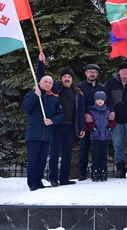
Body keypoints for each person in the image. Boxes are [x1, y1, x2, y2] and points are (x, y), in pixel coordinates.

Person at [37, 53, 85, 187]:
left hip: (71, 127)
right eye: (65, 76)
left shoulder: (78, 94)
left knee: (67, 153)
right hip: (57, 125)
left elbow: (81, 112)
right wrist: (41, 63)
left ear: (72, 79)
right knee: (55, 152)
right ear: (62, 79)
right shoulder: (56, 88)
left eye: (69, 77)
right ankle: (53, 178)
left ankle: (64, 178)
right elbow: (41, 78)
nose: (67, 78)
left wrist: (81, 128)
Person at [22, 76, 63, 191]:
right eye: (45, 81)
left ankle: (39, 181)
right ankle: (32, 183)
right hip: (34, 133)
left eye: (50, 82)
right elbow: (25, 107)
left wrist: (52, 120)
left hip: (47, 134)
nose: (48, 84)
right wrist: (36, 95)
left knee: (42, 160)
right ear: (40, 83)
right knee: (33, 159)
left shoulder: (54, 99)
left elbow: (60, 115)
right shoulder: (32, 94)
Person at [77, 64, 114, 181]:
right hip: (86, 122)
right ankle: (82, 172)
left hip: (100, 124)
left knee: (99, 149)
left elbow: (108, 102)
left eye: (95, 72)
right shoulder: (80, 87)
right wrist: (84, 114)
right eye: (90, 71)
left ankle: (98, 170)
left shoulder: (102, 88)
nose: (92, 74)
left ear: (97, 74)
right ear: (86, 73)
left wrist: (112, 111)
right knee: (84, 147)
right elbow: (76, 104)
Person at [105, 61, 127, 178]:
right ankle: (120, 169)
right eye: (122, 69)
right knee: (117, 145)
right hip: (116, 120)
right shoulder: (110, 83)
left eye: (126, 70)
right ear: (118, 72)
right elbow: (106, 100)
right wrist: (111, 111)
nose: (124, 72)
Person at [85, 91, 116, 182]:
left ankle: (103, 171)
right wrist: (93, 128)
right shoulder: (91, 111)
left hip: (105, 136)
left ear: (105, 101)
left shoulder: (108, 111)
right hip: (95, 137)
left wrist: (110, 128)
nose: (100, 101)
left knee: (103, 155)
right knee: (96, 155)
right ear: (95, 101)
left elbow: (113, 121)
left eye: (102, 100)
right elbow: (87, 123)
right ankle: (95, 171)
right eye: (98, 99)